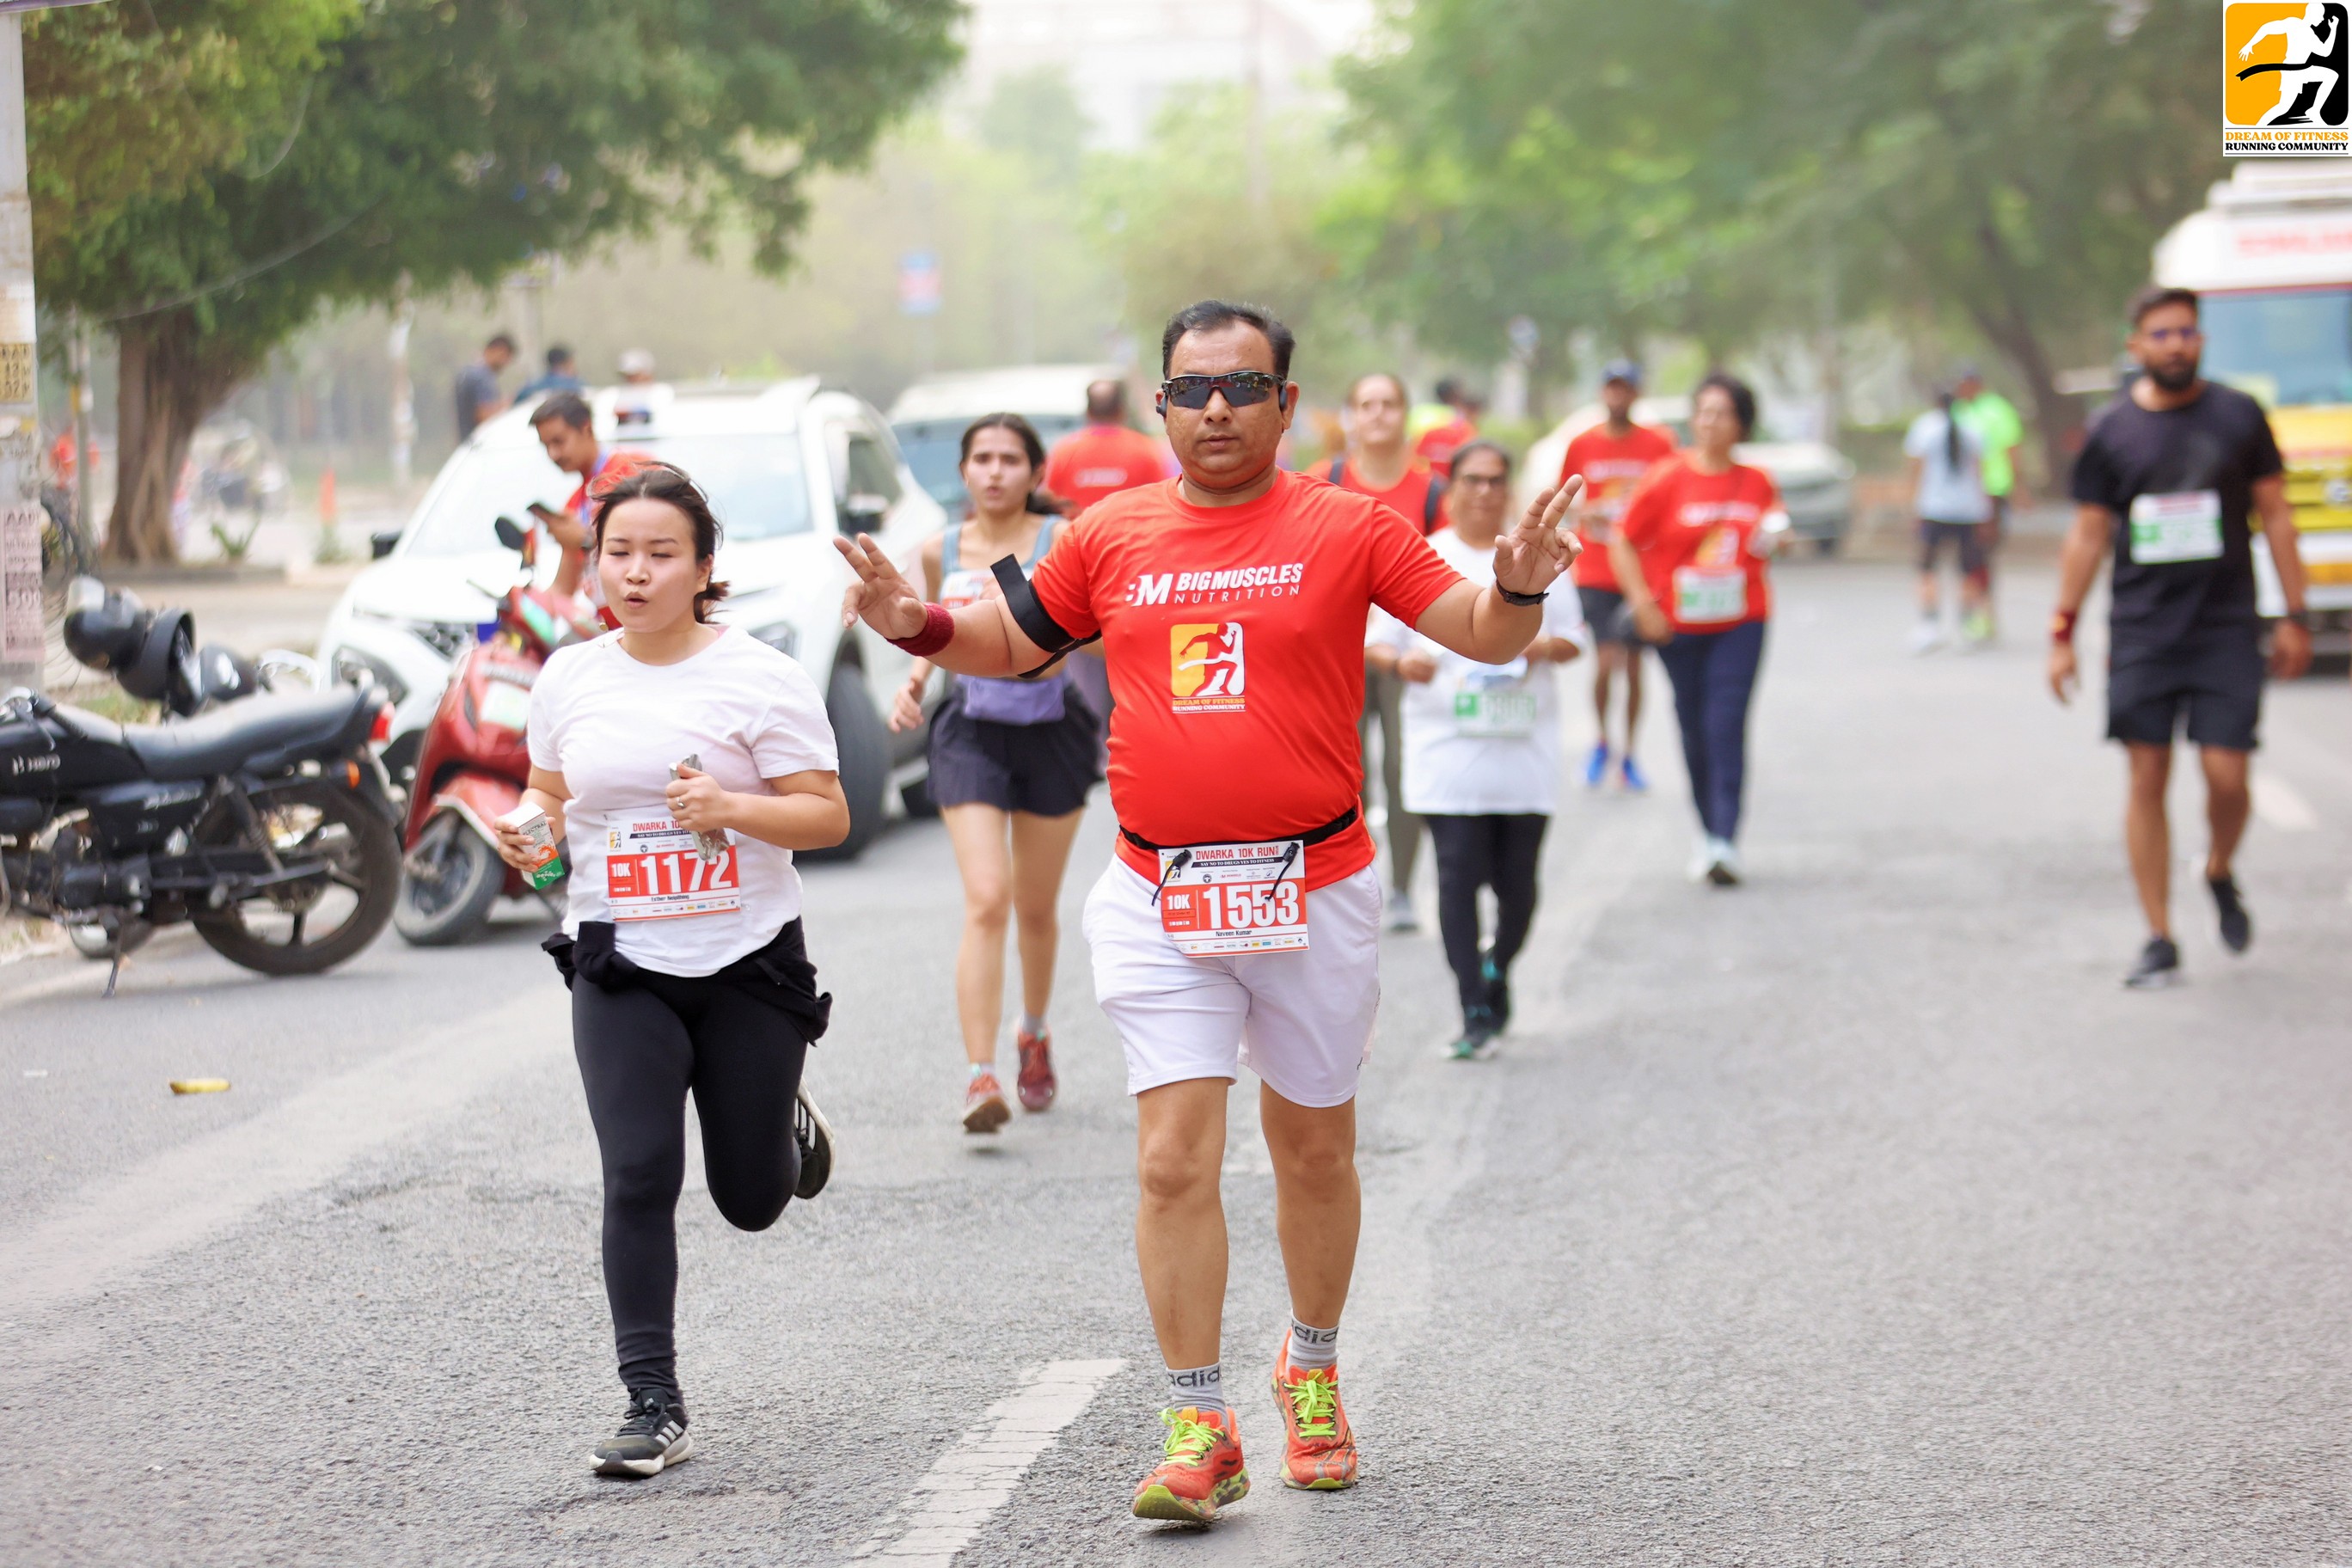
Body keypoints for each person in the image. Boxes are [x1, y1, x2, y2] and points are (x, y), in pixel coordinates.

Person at [833, 299, 1583, 1525]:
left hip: (1314, 887)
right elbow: (1011, 643)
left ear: (1288, 405)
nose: (1217, 409)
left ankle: (1312, 1371)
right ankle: (1200, 1424)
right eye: (1192, 391)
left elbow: (1477, 631)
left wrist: (1516, 587)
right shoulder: (1110, 533)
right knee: (1172, 1159)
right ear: (1162, 406)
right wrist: (911, 622)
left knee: (1314, 1152)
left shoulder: (1350, 526)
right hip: (1160, 891)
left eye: (1243, 388)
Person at [493, 462, 848, 1479]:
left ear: (702, 568)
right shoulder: (570, 678)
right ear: (594, 564)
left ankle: (779, 1118)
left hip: (747, 963)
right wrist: (529, 830)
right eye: (618, 553)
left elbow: (827, 815)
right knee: (639, 1172)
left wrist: (732, 809)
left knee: (750, 1199)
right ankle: (652, 1400)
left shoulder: (761, 677)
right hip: (620, 959)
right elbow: (550, 794)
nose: (636, 573)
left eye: (661, 554)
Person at [2049, 284, 2312, 989]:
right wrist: (2062, 630)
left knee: (2228, 775)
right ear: (2136, 346)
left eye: (2186, 332)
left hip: (2225, 625)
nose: (2175, 345)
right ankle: (2159, 934)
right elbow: (2088, 534)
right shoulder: (2110, 432)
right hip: (2143, 630)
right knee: (2147, 774)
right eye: (2161, 334)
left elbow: (2276, 514)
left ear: (2201, 339)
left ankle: (2218, 867)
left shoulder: (2238, 415)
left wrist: (2295, 614)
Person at [890, 414, 1100, 1132]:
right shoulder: (938, 549)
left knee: (1036, 908)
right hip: (971, 733)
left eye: (1011, 459)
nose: (995, 471)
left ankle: (1032, 1032)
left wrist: (1027, 621)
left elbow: (1083, 638)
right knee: (987, 898)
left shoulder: (1062, 540)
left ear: (1036, 473)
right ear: (964, 472)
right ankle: (980, 1075)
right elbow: (931, 629)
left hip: (1051, 731)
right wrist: (914, 682)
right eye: (982, 458)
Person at [1366, 440, 1584, 1058]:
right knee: (1456, 878)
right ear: (1451, 487)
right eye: (1472, 480)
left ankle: (1499, 966)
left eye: (1495, 480)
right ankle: (1472, 1006)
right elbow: (1377, 642)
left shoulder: (1538, 553)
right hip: (1448, 755)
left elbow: (1574, 638)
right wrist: (1402, 664)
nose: (1485, 492)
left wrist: (1535, 646)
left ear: (1509, 488)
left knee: (1518, 887)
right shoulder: (1424, 555)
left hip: (1522, 754)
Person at [1611, 373, 1785, 887]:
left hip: (1742, 621)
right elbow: (1622, 540)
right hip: (1677, 626)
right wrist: (1641, 603)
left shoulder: (1757, 481)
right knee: (1693, 724)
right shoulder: (1667, 477)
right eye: (1703, 412)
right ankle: (1707, 832)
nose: (1709, 423)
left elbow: (1772, 529)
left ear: (1742, 424)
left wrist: (1778, 537)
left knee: (1726, 722)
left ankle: (1726, 839)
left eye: (1722, 413)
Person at [1328, 372, 1442, 934]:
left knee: (1403, 769)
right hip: (1335, 655)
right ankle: (1355, 885)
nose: (1377, 414)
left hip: (1404, 657)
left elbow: (1450, 570)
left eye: (1389, 404)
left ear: (1405, 414)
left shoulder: (1433, 491)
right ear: (1351, 416)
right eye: (1366, 404)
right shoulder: (1324, 482)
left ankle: (1400, 888)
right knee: (1345, 775)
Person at [1559, 359, 1676, 791]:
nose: (1617, 395)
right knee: (1605, 661)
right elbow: (1563, 499)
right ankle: (1601, 742)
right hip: (1594, 569)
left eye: (1625, 388)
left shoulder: (1659, 444)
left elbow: (1674, 498)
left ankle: (1629, 753)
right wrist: (1585, 512)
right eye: (1611, 387)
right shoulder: (1582, 444)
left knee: (1634, 666)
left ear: (1636, 394)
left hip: (1641, 573)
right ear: (1601, 392)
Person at [529, 392, 648, 603]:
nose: (553, 454)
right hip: (607, 619)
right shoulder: (573, 504)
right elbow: (563, 589)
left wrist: (586, 541)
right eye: (546, 445)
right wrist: (525, 605)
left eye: (558, 441)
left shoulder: (633, 470)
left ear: (587, 429)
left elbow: (657, 543)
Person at [1904, 388, 1991, 652]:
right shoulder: (1973, 427)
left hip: (1933, 508)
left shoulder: (1925, 427)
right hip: (1968, 509)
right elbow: (1980, 471)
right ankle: (1965, 627)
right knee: (1968, 569)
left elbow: (1916, 470)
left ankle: (1929, 625)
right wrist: (1984, 509)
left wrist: (1912, 505)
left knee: (1927, 569)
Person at [1951, 363, 2024, 640]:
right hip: (1962, 496)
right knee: (1969, 557)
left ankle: (1982, 614)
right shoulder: (1957, 411)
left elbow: (2012, 450)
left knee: (1981, 554)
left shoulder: (1997, 410)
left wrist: (2018, 487)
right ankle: (1978, 612)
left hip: (1991, 493)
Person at [1044, 380, 1169, 516]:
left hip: (1078, 528)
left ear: (1088, 412)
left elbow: (1050, 500)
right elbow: (1162, 498)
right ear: (1121, 411)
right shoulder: (1146, 448)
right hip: (1132, 529)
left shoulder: (1064, 451)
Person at [1411, 377, 1481, 477]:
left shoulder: (1419, 412)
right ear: (1455, 395)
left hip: (1421, 475)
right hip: (1450, 478)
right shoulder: (1459, 418)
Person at [454, 334, 515, 444]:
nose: (505, 363)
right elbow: (484, 415)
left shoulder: (469, 373)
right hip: (478, 443)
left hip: (467, 442)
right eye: (505, 356)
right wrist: (509, 405)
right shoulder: (481, 377)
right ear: (498, 350)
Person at [517, 345, 585, 401]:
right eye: (571, 363)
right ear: (566, 364)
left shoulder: (533, 386)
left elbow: (518, 398)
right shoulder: (576, 386)